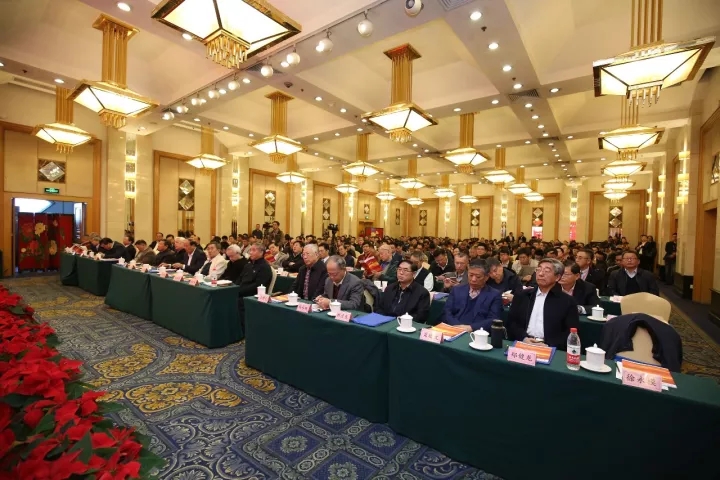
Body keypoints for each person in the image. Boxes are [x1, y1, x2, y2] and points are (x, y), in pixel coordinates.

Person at [506, 258, 580, 350]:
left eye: (547, 271)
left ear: (557, 277)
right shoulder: (523, 295)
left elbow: (570, 332)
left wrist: (548, 345)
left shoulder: (567, 301)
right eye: (538, 269)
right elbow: (512, 323)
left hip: (550, 347)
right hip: (523, 343)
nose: (540, 274)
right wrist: (524, 338)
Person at [441, 261, 502, 332]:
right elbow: (447, 312)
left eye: (478, 277)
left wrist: (471, 328)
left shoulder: (494, 295)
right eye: (471, 275)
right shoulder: (457, 290)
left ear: (486, 277)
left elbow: (493, 319)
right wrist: (457, 326)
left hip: (477, 333)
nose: (473, 279)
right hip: (454, 329)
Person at [235, 243, 273, 332]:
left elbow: (258, 285)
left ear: (261, 252)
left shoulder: (264, 267)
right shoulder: (248, 265)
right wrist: (234, 288)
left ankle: (243, 332)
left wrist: (239, 291)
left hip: (252, 295)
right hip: (241, 291)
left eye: (254, 250)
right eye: (250, 250)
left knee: (237, 301)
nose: (250, 252)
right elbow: (239, 279)